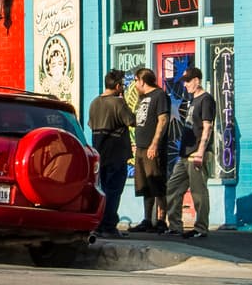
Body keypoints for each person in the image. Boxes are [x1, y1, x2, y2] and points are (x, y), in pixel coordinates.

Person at [166, 66, 216, 238]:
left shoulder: (206, 99)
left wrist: (201, 151)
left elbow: (207, 127)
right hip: (184, 154)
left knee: (198, 193)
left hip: (197, 153)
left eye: (188, 81)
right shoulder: (192, 101)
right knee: (173, 187)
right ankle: (175, 226)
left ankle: (201, 229)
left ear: (197, 80)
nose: (185, 85)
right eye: (184, 82)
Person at [88, 69, 134, 238]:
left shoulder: (94, 103)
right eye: (122, 84)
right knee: (114, 191)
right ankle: (109, 226)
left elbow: (91, 125)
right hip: (116, 154)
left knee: (102, 190)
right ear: (117, 86)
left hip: (100, 154)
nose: (123, 87)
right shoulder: (118, 103)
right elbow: (132, 120)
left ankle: (99, 224)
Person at [130, 67, 169, 233]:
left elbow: (163, 120)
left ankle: (161, 220)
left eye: (136, 81)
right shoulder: (143, 98)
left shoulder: (159, 95)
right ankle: (147, 219)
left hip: (152, 148)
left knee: (157, 184)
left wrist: (154, 144)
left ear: (142, 80)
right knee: (144, 186)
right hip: (140, 147)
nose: (135, 84)